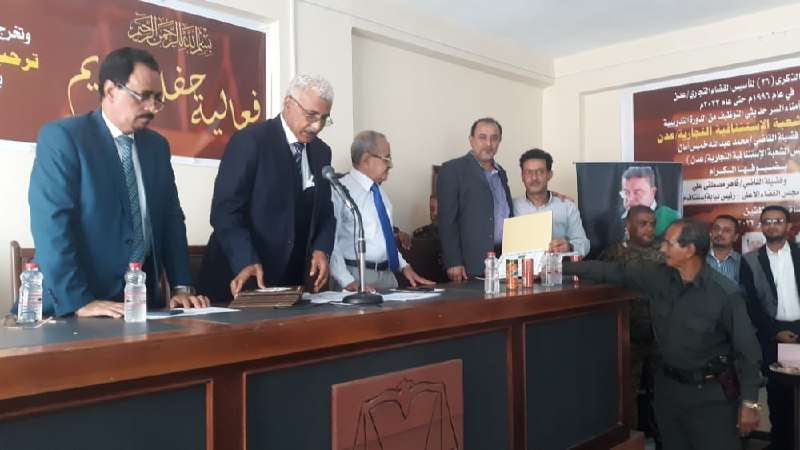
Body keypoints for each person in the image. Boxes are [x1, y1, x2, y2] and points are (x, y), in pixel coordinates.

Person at [27, 47, 209, 318]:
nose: (152, 107)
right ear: (111, 91)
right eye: (143, 96)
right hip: (74, 307)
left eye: (158, 99)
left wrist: (182, 287)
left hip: (140, 304)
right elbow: (52, 225)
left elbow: (170, 218)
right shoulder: (65, 138)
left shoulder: (156, 147)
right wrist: (79, 302)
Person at [566, 219, 763, 450]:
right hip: (668, 393)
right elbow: (613, 271)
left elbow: (748, 350)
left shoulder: (725, 294)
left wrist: (750, 402)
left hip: (711, 399)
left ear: (689, 250)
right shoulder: (658, 277)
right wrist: (559, 267)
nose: (661, 248)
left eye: (669, 244)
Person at [199, 74, 336, 302]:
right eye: (311, 115)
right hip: (240, 276)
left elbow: (325, 213)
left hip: (290, 284)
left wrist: (322, 249)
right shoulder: (250, 141)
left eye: (324, 118)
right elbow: (225, 211)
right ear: (288, 103)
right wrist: (245, 259)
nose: (317, 126)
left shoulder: (322, 152)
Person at [329, 131, 434, 291]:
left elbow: (385, 239)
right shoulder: (340, 191)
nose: (391, 165)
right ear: (366, 160)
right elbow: (331, 242)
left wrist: (405, 266)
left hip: (387, 276)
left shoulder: (380, 194)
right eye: (387, 158)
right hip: (356, 276)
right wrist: (347, 281)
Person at [599, 205, 663, 442]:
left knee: (664, 393)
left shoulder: (666, 253)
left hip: (661, 336)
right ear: (628, 225)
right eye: (643, 223)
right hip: (627, 336)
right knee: (627, 395)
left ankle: (665, 441)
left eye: (652, 224)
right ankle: (631, 441)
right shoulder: (614, 253)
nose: (649, 229)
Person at [740, 205, 799, 450]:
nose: (772, 225)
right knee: (779, 397)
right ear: (761, 226)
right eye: (767, 221)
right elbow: (750, 303)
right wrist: (775, 331)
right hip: (774, 335)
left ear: (788, 225)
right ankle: (782, 444)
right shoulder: (750, 260)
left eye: (778, 220)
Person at [438, 117, 513, 281]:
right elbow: (446, 221)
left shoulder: (501, 173)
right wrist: (453, 261)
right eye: (482, 137)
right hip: (470, 264)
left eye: (494, 138)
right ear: (471, 140)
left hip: (504, 261)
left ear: (499, 142)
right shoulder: (452, 170)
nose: (489, 144)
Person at [512, 148, 590, 256]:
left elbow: (584, 244)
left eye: (540, 172)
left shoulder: (567, 206)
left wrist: (569, 246)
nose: (534, 178)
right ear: (522, 176)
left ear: (549, 175)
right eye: (528, 172)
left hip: (557, 265)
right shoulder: (511, 206)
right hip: (521, 266)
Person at [619, 166, 680, 237]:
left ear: (652, 192)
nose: (630, 199)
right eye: (626, 192)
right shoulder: (617, 222)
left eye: (637, 192)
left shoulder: (672, 218)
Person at [707, 214, 742, 283]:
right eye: (716, 228)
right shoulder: (699, 259)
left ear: (735, 237)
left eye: (726, 230)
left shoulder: (742, 263)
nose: (719, 233)